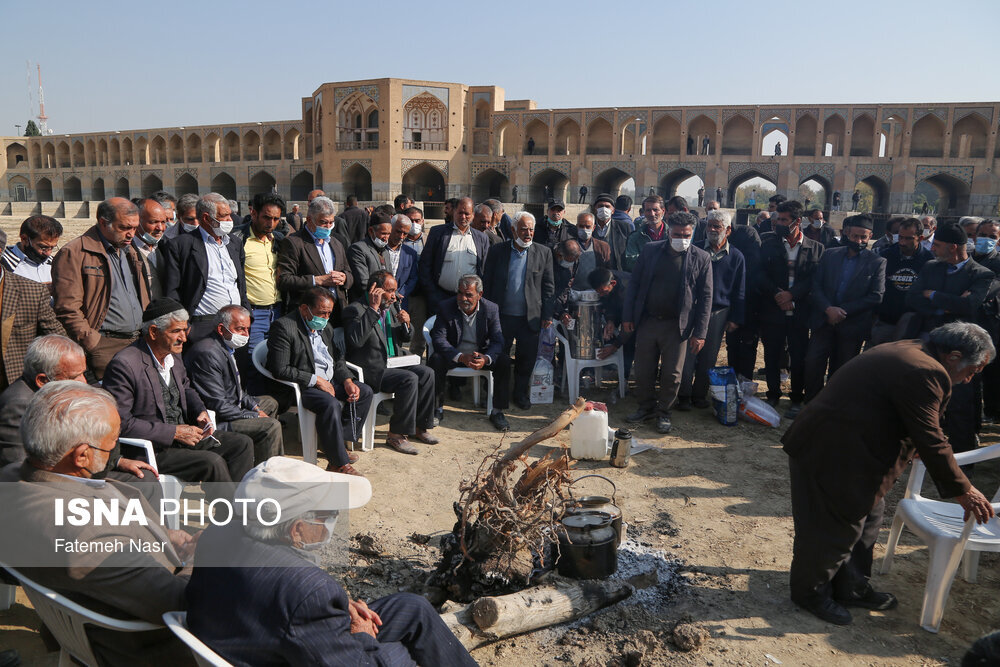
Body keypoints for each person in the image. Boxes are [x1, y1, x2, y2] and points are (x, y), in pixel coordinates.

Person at [783, 322, 996, 625]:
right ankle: (809, 593)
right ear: (953, 356)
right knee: (833, 529)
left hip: (854, 452)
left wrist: (920, 442)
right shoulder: (924, 369)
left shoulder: (917, 352)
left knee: (867, 520)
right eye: (972, 371)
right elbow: (931, 436)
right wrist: (965, 490)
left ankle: (851, 587)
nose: (968, 380)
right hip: (831, 453)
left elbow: (915, 420)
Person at [186, 456, 477, 666]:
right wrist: (361, 636)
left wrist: (334, 608)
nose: (334, 522)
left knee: (412, 606)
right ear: (297, 529)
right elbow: (300, 600)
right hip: (283, 650)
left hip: (255, 637)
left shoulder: (218, 533)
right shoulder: (307, 591)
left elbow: (282, 600)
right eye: (329, 515)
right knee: (403, 654)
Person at [0, 381, 195, 666]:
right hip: (146, 646)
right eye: (113, 440)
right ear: (81, 455)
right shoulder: (90, 539)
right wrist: (203, 554)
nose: (116, 446)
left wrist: (168, 536)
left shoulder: (10, 478)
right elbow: (182, 602)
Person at [102, 297, 254, 486]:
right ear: (153, 332)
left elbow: (186, 388)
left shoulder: (173, 354)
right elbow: (122, 423)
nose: (183, 338)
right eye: (176, 331)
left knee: (241, 444)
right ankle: (231, 513)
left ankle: (237, 503)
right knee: (212, 462)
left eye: (184, 330)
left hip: (183, 437)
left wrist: (200, 411)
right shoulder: (125, 364)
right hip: (153, 448)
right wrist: (173, 432)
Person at [906, 224, 995, 455]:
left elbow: (969, 305)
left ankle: (962, 456)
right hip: (928, 342)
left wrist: (933, 295)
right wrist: (949, 303)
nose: (932, 248)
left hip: (961, 350)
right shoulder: (931, 267)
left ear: (953, 247)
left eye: (937, 245)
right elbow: (913, 298)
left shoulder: (981, 274)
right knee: (922, 396)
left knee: (960, 402)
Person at [267, 286, 373, 475]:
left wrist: (348, 380)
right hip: (303, 386)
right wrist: (316, 380)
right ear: (304, 309)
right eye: (321, 313)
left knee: (363, 391)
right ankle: (338, 463)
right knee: (330, 403)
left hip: (329, 380)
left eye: (329, 314)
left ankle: (338, 443)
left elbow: (336, 359)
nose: (325, 318)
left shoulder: (325, 327)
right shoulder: (284, 327)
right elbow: (279, 369)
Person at [624, 212, 713, 433]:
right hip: (648, 321)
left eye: (686, 235)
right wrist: (627, 317)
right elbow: (634, 285)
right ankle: (645, 407)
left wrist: (700, 333)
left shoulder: (701, 258)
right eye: (677, 234)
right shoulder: (651, 250)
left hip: (678, 326)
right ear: (668, 230)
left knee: (673, 374)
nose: (681, 238)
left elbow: (706, 298)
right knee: (643, 369)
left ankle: (664, 412)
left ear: (692, 234)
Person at [51, 197, 150, 380]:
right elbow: (67, 308)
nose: (131, 234)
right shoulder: (75, 253)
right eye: (125, 228)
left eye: (135, 228)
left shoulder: (129, 250)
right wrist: (94, 343)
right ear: (104, 223)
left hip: (139, 341)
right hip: (105, 346)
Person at [343, 271, 438, 454]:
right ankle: (396, 435)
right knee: (409, 379)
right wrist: (372, 309)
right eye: (390, 290)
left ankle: (421, 427)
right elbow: (355, 341)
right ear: (375, 290)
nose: (394, 295)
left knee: (427, 373)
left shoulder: (391, 307)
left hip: (395, 361)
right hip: (373, 368)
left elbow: (406, 337)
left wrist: (406, 324)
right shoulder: (355, 309)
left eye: (395, 290)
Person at [803, 215, 886, 404]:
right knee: (813, 363)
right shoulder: (830, 254)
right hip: (823, 321)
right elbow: (816, 286)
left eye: (863, 237)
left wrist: (841, 311)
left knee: (842, 369)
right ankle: (812, 404)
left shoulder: (877, 262)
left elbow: (876, 295)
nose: (859, 241)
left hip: (851, 325)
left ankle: (833, 405)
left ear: (870, 236)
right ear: (847, 234)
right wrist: (828, 309)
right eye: (855, 236)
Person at [185, 305, 283, 463]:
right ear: (221, 329)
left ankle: (258, 462)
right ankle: (269, 476)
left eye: (248, 329)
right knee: (271, 426)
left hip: (232, 406)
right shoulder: (207, 353)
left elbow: (236, 389)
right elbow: (218, 406)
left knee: (269, 403)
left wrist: (255, 408)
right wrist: (254, 415)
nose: (246, 335)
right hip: (219, 420)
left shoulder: (225, 346)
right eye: (240, 329)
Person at [757, 200, 824, 416]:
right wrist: (778, 294)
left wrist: (792, 295)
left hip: (800, 312)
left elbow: (816, 280)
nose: (778, 223)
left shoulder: (816, 248)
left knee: (798, 356)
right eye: (778, 219)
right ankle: (773, 394)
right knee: (772, 354)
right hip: (773, 309)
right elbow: (760, 275)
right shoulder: (768, 243)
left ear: (797, 222)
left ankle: (796, 396)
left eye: (784, 220)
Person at [483, 211, 555, 409]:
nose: (528, 233)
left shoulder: (543, 252)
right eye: (523, 229)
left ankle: (520, 394)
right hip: (501, 316)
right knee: (500, 357)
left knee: (526, 359)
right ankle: (499, 394)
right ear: (513, 230)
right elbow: (487, 283)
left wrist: (547, 314)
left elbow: (549, 288)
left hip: (530, 317)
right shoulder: (498, 251)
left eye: (531, 229)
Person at [678, 210, 745, 410]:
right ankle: (683, 395)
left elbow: (739, 290)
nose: (712, 230)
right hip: (693, 309)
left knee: (709, 354)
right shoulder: (694, 249)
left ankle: (700, 394)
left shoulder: (736, 256)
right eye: (709, 226)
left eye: (717, 226)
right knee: (688, 353)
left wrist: (735, 318)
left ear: (728, 230)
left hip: (718, 312)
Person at [162, 192, 248, 343]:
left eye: (230, 215)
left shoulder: (234, 243)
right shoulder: (182, 245)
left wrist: (248, 316)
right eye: (224, 216)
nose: (230, 220)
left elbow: (240, 283)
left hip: (236, 324)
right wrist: (185, 326)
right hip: (202, 325)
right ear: (207, 218)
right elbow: (172, 290)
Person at [429, 274, 511, 431]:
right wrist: (460, 357)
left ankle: (497, 411)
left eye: (469, 294)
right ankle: (436, 409)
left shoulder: (491, 309)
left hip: (479, 355)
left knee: (504, 361)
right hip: (455, 354)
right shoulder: (446, 307)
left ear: (479, 295)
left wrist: (486, 359)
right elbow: (439, 339)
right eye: (460, 293)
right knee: (436, 359)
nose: (463, 298)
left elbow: (498, 340)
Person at [277, 196, 353, 325]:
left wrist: (344, 278)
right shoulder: (294, 242)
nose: (328, 227)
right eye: (323, 222)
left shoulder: (336, 243)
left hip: (337, 312)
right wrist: (317, 280)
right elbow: (285, 280)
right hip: (310, 314)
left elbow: (349, 274)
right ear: (309, 220)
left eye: (331, 222)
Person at [232, 192, 285, 356]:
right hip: (253, 315)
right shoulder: (238, 239)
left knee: (275, 360)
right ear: (253, 213)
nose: (271, 223)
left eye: (276, 219)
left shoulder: (278, 240)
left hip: (278, 312)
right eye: (267, 218)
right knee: (253, 361)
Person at [419, 197, 489, 316]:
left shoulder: (481, 238)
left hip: (469, 301)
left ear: (473, 215)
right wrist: (432, 293)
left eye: (467, 213)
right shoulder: (438, 233)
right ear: (454, 212)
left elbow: (485, 269)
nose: (463, 217)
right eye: (460, 213)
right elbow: (425, 264)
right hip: (440, 298)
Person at [870, 217, 932, 346]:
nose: (902, 242)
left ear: (920, 238)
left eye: (908, 238)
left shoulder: (929, 261)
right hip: (885, 322)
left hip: (912, 324)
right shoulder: (886, 256)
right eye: (901, 237)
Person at [1, 214, 62, 283]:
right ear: (24, 239)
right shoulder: (4, 264)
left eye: (52, 247)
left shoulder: (55, 264)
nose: (48, 253)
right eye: (43, 247)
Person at [347, 210, 391, 299]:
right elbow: (363, 283)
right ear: (371, 231)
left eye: (388, 234)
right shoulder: (358, 249)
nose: (386, 238)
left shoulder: (385, 251)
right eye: (383, 234)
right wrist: (385, 293)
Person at [132, 198, 168, 298]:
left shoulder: (165, 248)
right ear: (137, 221)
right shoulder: (125, 251)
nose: (160, 228)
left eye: (163, 222)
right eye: (153, 222)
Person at [624, 195, 667, 271]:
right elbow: (630, 262)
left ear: (663, 211)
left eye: (655, 210)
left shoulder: (672, 235)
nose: (652, 214)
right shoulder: (635, 237)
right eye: (648, 210)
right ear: (644, 212)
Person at [592, 194, 631, 272]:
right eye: (600, 206)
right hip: (592, 272)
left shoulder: (623, 227)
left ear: (613, 210)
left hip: (615, 272)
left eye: (607, 206)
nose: (603, 209)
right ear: (595, 209)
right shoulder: (588, 226)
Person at [574, 212, 611, 282]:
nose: (584, 229)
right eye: (581, 226)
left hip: (595, 290)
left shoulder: (603, 247)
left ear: (593, 227)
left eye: (588, 227)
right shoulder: (570, 245)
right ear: (577, 226)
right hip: (574, 291)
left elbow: (607, 271)